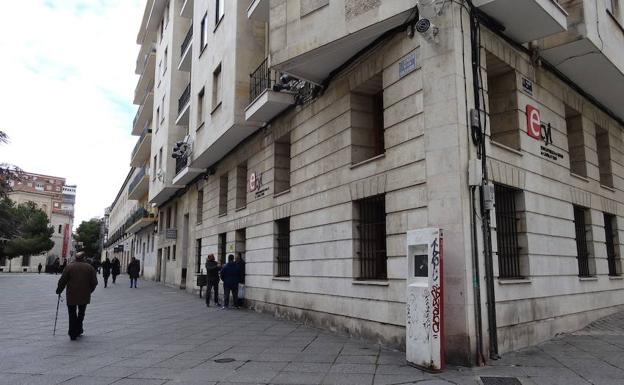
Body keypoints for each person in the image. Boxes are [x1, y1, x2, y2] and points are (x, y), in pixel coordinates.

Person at [55, 251, 98, 341]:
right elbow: (94, 282)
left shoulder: (69, 267)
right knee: (81, 313)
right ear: (84, 258)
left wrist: (59, 290)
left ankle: (72, 333)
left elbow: (63, 280)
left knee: (72, 313)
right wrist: (89, 291)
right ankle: (78, 329)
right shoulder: (89, 268)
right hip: (84, 294)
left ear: (75, 258)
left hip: (71, 294)